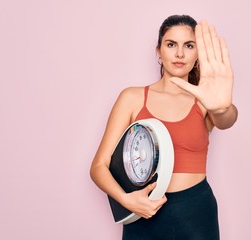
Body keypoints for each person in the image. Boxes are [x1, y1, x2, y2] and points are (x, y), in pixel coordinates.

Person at [90, 14, 238, 240]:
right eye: (171, 45)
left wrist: (220, 108)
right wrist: (126, 200)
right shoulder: (132, 97)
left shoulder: (206, 100)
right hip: (142, 214)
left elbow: (227, 120)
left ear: (198, 53)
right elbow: (99, 166)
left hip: (196, 213)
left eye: (189, 46)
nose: (180, 54)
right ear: (159, 51)